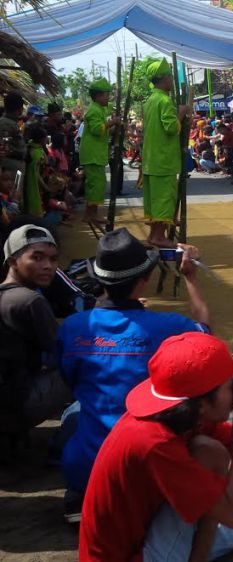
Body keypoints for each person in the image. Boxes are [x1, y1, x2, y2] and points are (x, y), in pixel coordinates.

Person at [78, 332, 233, 561]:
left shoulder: (181, 409)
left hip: (150, 528)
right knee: (212, 456)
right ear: (202, 403)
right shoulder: (154, 441)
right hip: (127, 555)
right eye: (231, 384)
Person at [57, 228, 210, 521]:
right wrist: (191, 279)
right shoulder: (168, 326)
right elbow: (206, 336)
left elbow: (70, 380)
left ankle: (81, 496)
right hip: (143, 465)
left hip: (84, 467)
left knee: (74, 410)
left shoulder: (74, 326)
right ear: (145, 279)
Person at [0, 224, 67, 437]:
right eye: (37, 258)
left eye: (53, 259)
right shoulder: (30, 300)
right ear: (12, 261)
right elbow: (62, 351)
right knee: (86, 363)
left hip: (8, 400)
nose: (47, 266)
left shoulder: (8, 295)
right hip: (15, 407)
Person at [141, 58, 188, 248]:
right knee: (163, 199)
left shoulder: (149, 101)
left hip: (152, 159)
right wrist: (182, 113)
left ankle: (154, 235)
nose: (172, 80)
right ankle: (158, 236)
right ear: (165, 79)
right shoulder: (164, 100)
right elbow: (170, 128)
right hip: (163, 160)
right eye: (170, 76)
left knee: (155, 199)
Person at [79, 78, 120, 226]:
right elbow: (97, 130)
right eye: (105, 95)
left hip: (95, 154)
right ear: (97, 96)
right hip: (92, 154)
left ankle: (91, 214)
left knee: (96, 184)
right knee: (96, 185)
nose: (107, 98)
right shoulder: (94, 111)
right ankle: (90, 214)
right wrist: (113, 122)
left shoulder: (100, 109)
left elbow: (108, 115)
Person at [0, 93, 26, 172]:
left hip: (13, 167)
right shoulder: (6, 124)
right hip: (9, 169)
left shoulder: (11, 122)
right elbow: (4, 149)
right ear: (20, 108)